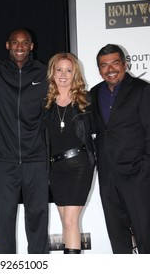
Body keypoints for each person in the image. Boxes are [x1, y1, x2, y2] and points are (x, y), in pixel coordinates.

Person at [90, 44, 150, 254]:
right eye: (104, 65)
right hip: (108, 176)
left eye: (115, 63)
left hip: (137, 176)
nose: (110, 69)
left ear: (125, 64)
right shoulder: (94, 93)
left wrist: (146, 169)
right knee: (117, 236)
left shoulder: (143, 90)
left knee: (145, 234)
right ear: (99, 69)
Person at [0, 28, 49, 254]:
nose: (20, 47)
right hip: (5, 159)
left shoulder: (44, 73)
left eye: (25, 43)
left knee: (37, 216)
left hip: (36, 158)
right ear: (7, 45)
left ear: (32, 46)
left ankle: (39, 263)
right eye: (15, 42)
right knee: (5, 217)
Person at [42, 52, 95, 254]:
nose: (63, 74)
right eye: (59, 69)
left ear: (75, 74)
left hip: (79, 165)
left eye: (69, 70)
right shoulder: (45, 102)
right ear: (52, 72)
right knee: (65, 221)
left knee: (71, 221)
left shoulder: (86, 100)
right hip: (55, 168)